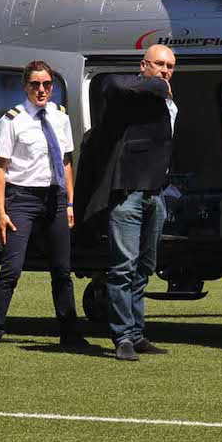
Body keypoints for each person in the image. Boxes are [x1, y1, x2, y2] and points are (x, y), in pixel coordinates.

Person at [75, 44, 177, 361]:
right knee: (123, 268)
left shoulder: (167, 104)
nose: (164, 71)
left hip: (155, 194)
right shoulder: (128, 92)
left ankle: (136, 332)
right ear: (144, 65)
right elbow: (110, 84)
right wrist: (159, 86)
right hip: (127, 195)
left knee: (144, 268)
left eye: (170, 67)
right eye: (159, 64)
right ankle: (122, 338)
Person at [0, 60, 84, 351]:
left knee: (62, 270)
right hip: (22, 198)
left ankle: (70, 333)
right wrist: (1, 212)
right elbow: (0, 169)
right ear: (25, 86)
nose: (41, 90)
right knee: (12, 268)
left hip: (55, 198)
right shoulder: (12, 119)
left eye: (47, 84)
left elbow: (66, 162)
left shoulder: (60, 116)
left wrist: (70, 203)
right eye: (35, 84)